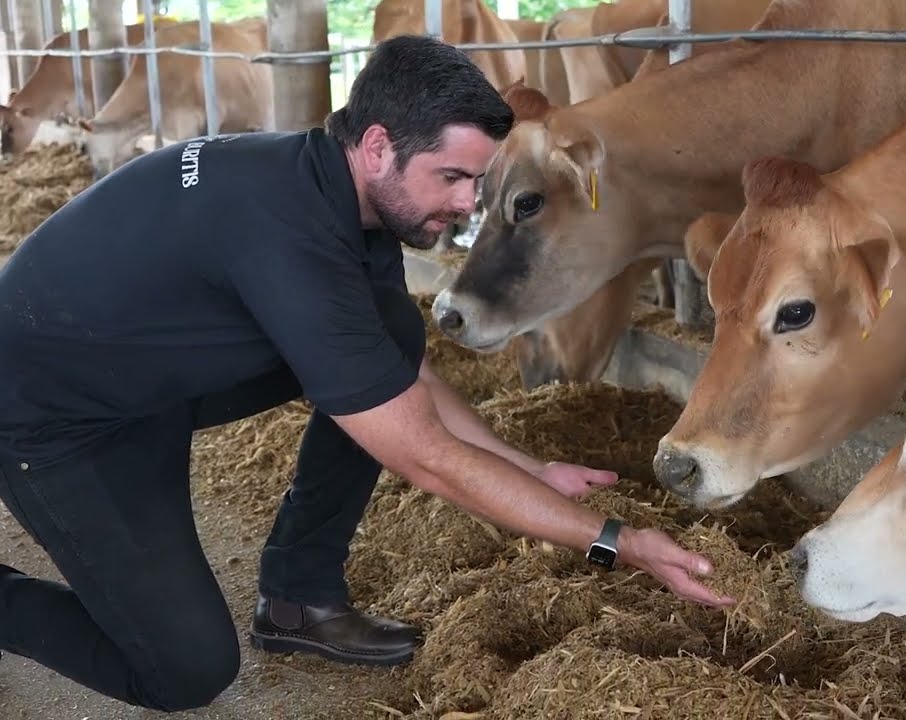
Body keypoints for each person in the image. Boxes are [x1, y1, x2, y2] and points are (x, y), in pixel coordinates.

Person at [0, 35, 735, 713]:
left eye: (474, 184)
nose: (463, 206)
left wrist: (531, 468)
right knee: (184, 669)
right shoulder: (287, 237)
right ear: (379, 145)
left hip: (138, 384)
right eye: (451, 177)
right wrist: (616, 540)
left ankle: (298, 601)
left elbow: (400, 373)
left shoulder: (339, 193)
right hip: (49, 420)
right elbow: (425, 456)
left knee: (388, 331)